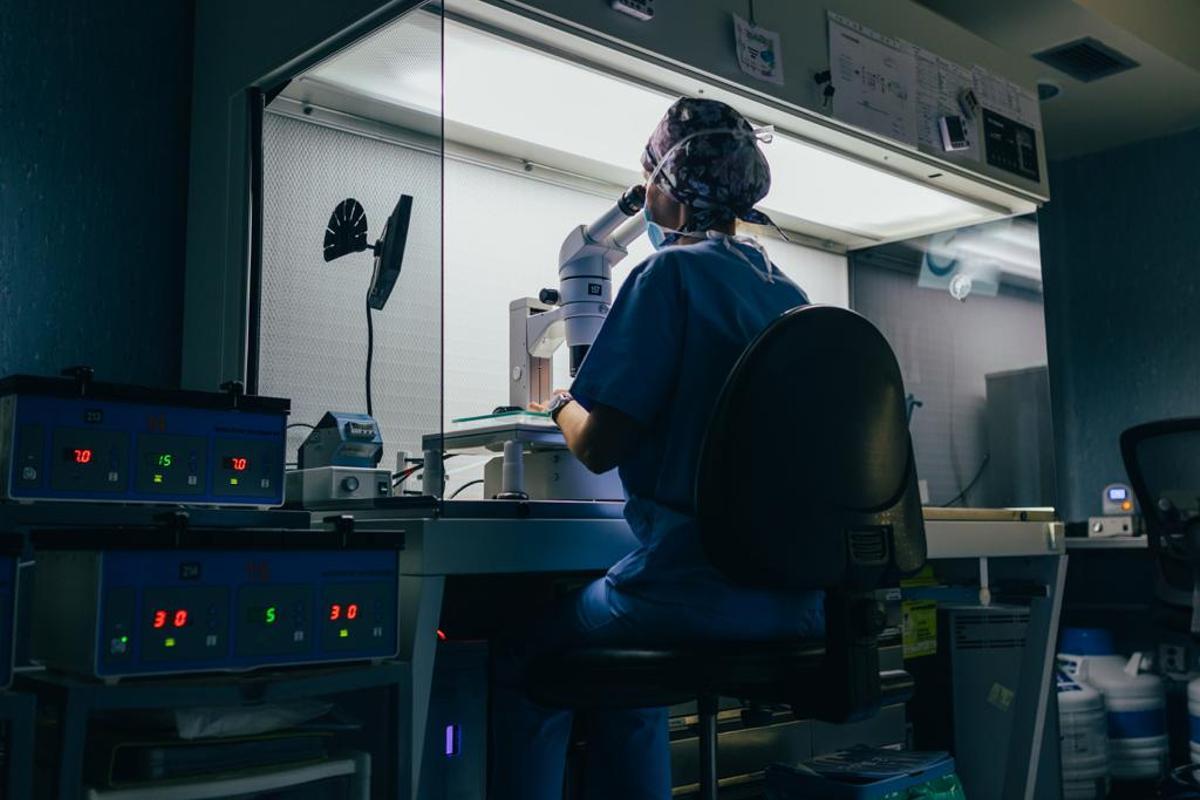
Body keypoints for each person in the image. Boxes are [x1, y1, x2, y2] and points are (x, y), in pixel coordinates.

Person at [489, 97, 825, 800]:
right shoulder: (790, 295)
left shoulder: (666, 276)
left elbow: (600, 446)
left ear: (663, 190)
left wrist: (557, 402)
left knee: (519, 659)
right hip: (796, 602)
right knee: (626, 682)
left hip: (692, 593)